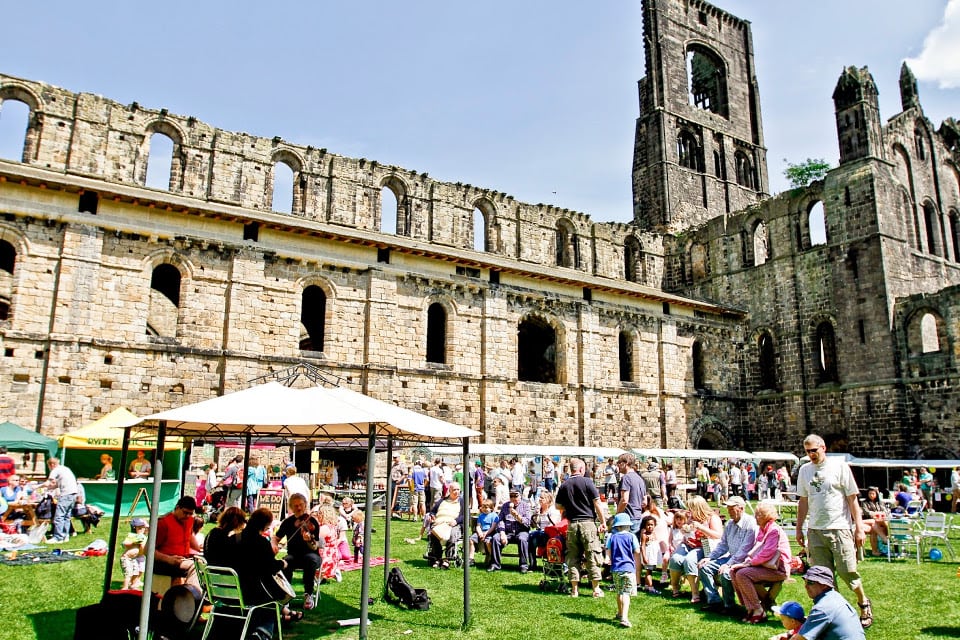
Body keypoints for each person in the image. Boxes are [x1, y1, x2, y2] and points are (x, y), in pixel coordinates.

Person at [796, 434, 873, 629]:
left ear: (823, 448)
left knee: (848, 571)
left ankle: (864, 602)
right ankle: (835, 614)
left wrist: (859, 527)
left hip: (839, 528)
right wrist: (799, 528)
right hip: (815, 530)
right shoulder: (804, 470)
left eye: (814, 450)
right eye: (808, 451)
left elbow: (852, 499)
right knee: (822, 577)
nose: (811, 454)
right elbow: (803, 501)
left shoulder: (840, 466)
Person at [554, 457, 607, 599]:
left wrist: (570, 506)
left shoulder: (564, 485)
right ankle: (596, 589)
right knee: (592, 555)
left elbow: (557, 506)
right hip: (588, 523)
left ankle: (574, 590)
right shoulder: (588, 482)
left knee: (573, 557)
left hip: (572, 524)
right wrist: (603, 522)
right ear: (582, 469)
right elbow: (597, 503)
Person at [729, 502, 791, 624]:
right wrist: (747, 561)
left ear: (766, 516)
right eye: (756, 514)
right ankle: (750, 608)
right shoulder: (763, 529)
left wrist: (748, 564)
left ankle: (758, 610)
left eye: (758, 515)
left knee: (742, 574)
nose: (755, 517)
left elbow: (767, 553)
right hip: (765, 566)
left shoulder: (773, 530)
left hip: (778, 569)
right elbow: (757, 549)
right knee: (733, 571)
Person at [698, 495, 759, 615]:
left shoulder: (750, 523)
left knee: (725, 573)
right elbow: (723, 545)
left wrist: (728, 564)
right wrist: (709, 557)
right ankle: (714, 601)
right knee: (704, 567)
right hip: (730, 557)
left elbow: (744, 550)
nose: (729, 511)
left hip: (744, 561)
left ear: (741, 508)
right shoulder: (729, 524)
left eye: (732, 508)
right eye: (728, 509)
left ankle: (729, 605)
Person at [236, 507, 288, 639]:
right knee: (276, 596)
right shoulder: (261, 542)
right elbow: (270, 567)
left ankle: (283, 615)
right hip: (252, 590)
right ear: (265, 526)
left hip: (234, 587)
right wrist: (282, 563)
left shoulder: (234, 538)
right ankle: (263, 632)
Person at [667, 495, 721, 602]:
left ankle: (695, 593)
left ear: (699, 508)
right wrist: (685, 531)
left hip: (704, 546)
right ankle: (675, 588)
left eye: (691, 508)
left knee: (690, 560)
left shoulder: (712, 518)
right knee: (675, 559)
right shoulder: (691, 517)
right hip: (689, 544)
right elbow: (687, 532)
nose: (689, 511)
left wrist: (701, 527)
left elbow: (718, 535)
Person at [274, 493, 322, 610]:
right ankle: (286, 595)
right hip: (294, 555)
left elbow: (315, 546)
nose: (299, 508)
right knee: (285, 561)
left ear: (305, 505)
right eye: (295, 506)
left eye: (301, 505)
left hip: (312, 555)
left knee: (310, 559)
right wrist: (274, 545)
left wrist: (309, 540)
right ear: (291, 507)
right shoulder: (287, 522)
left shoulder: (312, 522)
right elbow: (276, 537)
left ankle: (308, 594)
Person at [794, 566, 866, 640]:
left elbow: (801, 639)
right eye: (805, 581)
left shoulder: (822, 608)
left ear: (824, 585)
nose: (806, 586)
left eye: (810, 582)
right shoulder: (835, 596)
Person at [154, 496, 202, 586]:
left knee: (203, 563)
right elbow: (148, 550)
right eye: (185, 512)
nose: (187, 516)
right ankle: (191, 592)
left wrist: (199, 550)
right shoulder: (163, 523)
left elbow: (189, 536)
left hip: (183, 559)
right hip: (164, 563)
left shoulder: (190, 521)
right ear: (177, 508)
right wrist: (169, 559)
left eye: (190, 514)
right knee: (195, 567)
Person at [606, 512, 640, 628]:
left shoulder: (612, 537)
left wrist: (608, 558)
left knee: (619, 591)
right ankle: (624, 618)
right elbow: (637, 551)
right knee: (626, 593)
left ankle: (620, 613)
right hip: (628, 568)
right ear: (628, 525)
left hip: (616, 569)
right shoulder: (632, 536)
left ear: (617, 526)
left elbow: (608, 549)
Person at [489, 488, 532, 573]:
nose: (513, 498)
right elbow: (500, 520)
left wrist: (517, 516)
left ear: (520, 496)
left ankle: (523, 566)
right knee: (496, 538)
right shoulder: (505, 506)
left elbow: (527, 522)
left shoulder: (526, 506)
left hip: (521, 531)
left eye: (515, 496)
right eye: (511, 496)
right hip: (507, 532)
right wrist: (502, 533)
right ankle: (495, 565)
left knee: (522, 539)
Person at [425, 481, 465, 569]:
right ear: (449, 490)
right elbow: (433, 511)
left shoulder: (462, 502)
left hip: (453, 525)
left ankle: (448, 559)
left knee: (452, 534)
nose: (456, 492)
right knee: (433, 534)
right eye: (454, 490)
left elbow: (465, 516)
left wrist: (456, 521)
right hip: (439, 524)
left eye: (458, 490)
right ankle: (437, 558)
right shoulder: (442, 500)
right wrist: (432, 516)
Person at [43, 457, 79, 544]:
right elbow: (56, 485)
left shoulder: (55, 470)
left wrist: (36, 487)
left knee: (59, 516)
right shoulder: (65, 469)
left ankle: (58, 537)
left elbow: (49, 482)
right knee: (66, 516)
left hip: (66, 494)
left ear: (51, 464)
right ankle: (65, 536)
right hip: (73, 493)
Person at [528, 491, 562, 569]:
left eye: (542, 498)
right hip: (540, 533)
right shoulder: (539, 509)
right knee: (530, 537)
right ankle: (532, 563)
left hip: (551, 534)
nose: (540, 499)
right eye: (540, 497)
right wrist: (536, 516)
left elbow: (553, 525)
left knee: (532, 537)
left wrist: (542, 530)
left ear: (548, 500)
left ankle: (533, 564)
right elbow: (534, 525)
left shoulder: (553, 510)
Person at [615, 452, 647, 533]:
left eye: (619, 462)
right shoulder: (640, 478)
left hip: (627, 519)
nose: (617, 465)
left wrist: (617, 515)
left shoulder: (626, 478)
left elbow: (624, 500)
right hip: (638, 517)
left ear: (625, 463)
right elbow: (644, 502)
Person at [638, 515, 666, 595]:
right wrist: (644, 557)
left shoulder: (653, 533)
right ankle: (651, 587)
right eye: (648, 525)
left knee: (649, 571)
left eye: (652, 525)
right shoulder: (645, 535)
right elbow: (642, 546)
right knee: (649, 572)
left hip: (653, 556)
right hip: (648, 556)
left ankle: (647, 586)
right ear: (645, 525)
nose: (650, 526)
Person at [859, 486, 889, 557]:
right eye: (870, 493)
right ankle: (885, 538)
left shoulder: (880, 502)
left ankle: (875, 551)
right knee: (874, 522)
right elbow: (866, 512)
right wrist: (875, 514)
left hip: (878, 522)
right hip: (868, 521)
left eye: (873, 493)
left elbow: (885, 511)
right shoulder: (864, 503)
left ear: (876, 494)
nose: (871, 495)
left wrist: (880, 514)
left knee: (874, 528)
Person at [121, 517, 149, 590]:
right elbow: (124, 543)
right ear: (134, 528)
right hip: (126, 558)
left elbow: (143, 547)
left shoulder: (143, 537)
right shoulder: (132, 535)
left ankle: (133, 585)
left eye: (143, 528)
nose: (142, 530)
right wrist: (133, 542)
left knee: (136, 572)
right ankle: (125, 588)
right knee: (128, 574)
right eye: (139, 528)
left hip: (134, 558)